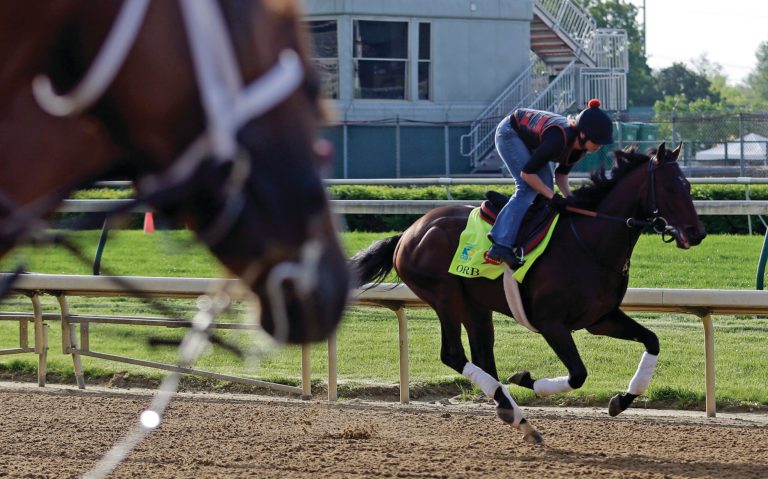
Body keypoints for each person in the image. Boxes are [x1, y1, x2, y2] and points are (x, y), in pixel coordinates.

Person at [487, 98, 613, 268]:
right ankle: (501, 245)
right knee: (527, 189)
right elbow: (527, 174)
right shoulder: (558, 139)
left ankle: (524, 223)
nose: (599, 146)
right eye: (597, 141)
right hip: (510, 132)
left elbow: (560, 175)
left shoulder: (580, 150)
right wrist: (553, 197)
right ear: (582, 134)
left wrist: (569, 197)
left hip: (531, 140)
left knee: (544, 188)